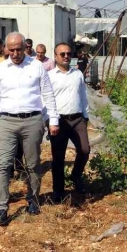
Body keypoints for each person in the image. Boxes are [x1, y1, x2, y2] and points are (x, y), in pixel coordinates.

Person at [0, 33, 58, 226]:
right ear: (5, 49)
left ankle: (33, 199)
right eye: (11, 50)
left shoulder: (36, 66)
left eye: (18, 49)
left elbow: (48, 94)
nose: (15, 53)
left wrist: (53, 119)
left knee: (33, 163)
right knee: (3, 164)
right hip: (6, 121)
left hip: (33, 120)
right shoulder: (0, 69)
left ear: (25, 47)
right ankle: (1, 207)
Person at [47, 43, 90, 202]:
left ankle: (76, 176)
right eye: (62, 54)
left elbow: (83, 95)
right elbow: (46, 99)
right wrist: (50, 121)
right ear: (56, 56)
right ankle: (58, 190)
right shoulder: (50, 76)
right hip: (59, 120)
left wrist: (85, 116)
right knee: (58, 156)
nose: (66, 56)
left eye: (68, 54)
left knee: (85, 150)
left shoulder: (77, 74)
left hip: (78, 118)